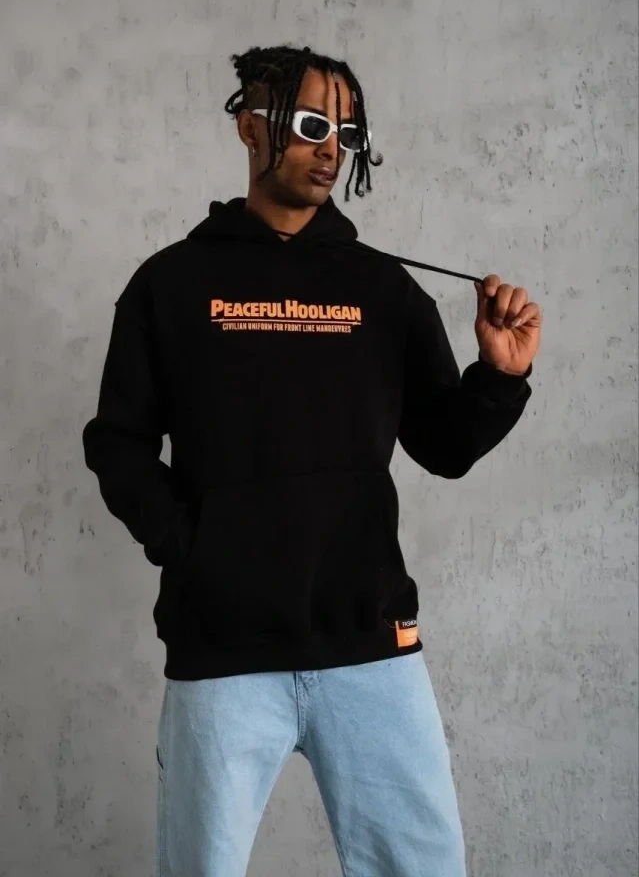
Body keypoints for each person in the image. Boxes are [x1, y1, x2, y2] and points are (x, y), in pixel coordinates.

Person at [82, 43, 541, 877]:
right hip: (223, 654)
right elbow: (118, 442)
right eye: (309, 125)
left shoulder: (383, 290)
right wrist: (192, 546)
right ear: (249, 128)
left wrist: (499, 379)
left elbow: (442, 448)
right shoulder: (171, 284)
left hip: (371, 649)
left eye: (347, 132)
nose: (331, 149)